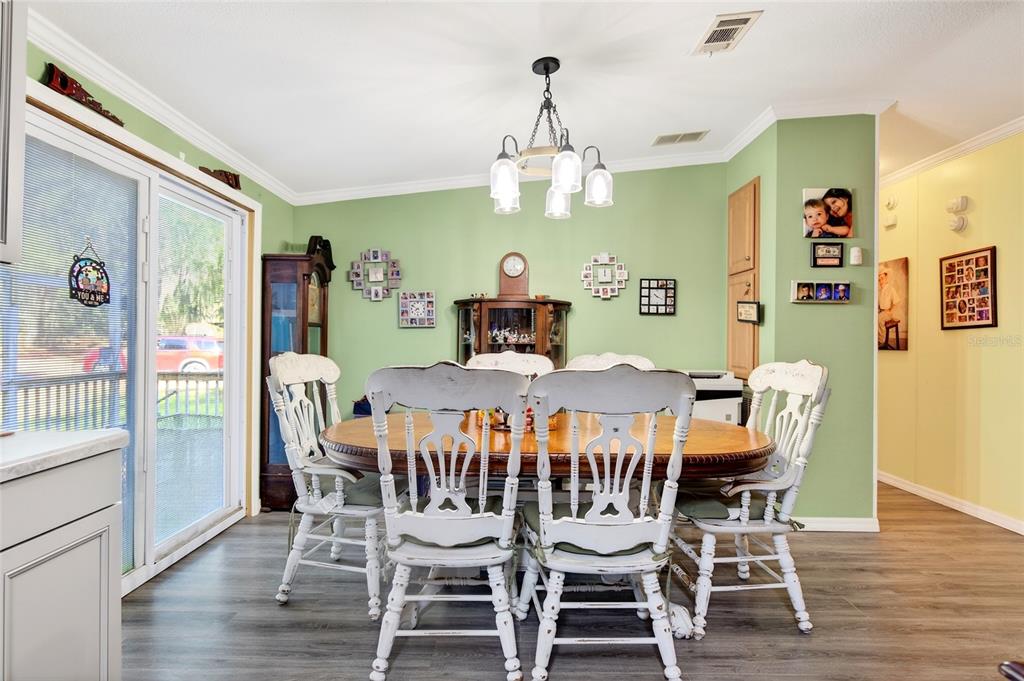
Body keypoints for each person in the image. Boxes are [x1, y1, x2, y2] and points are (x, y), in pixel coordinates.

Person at [878, 269, 901, 347]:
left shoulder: (891, 289)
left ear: (886, 278)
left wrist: (890, 310)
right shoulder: (879, 290)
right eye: (879, 279)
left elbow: (897, 302)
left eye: (882, 278)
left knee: (879, 319)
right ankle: (874, 338)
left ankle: (881, 341)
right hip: (880, 311)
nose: (880, 280)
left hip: (887, 312)